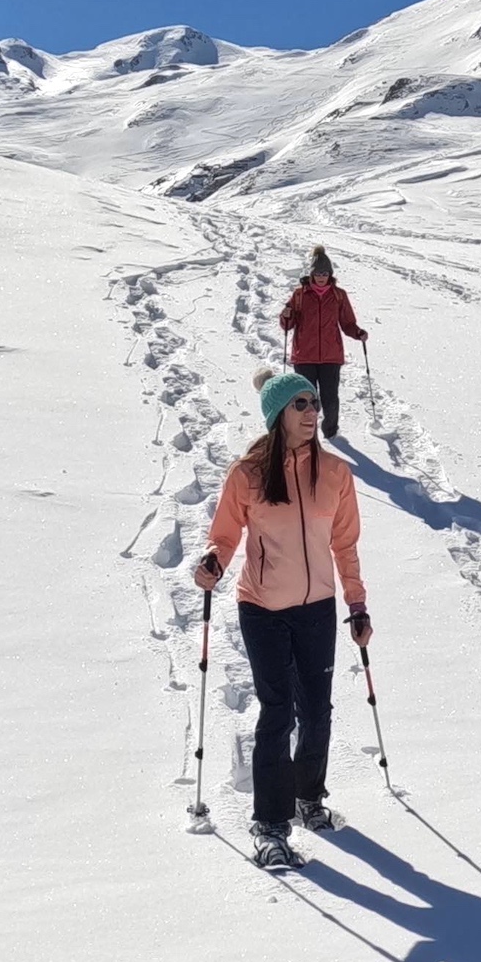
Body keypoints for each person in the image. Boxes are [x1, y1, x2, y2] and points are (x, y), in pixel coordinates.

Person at [194, 367, 373, 868]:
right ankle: (270, 825)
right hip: (263, 609)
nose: (312, 413)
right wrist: (212, 561)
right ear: (277, 414)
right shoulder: (248, 473)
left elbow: (345, 545)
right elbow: (225, 535)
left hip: (317, 609)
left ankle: (308, 799)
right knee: (278, 713)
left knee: (317, 712)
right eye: (301, 405)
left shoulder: (336, 473)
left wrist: (356, 604)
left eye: (314, 404)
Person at [279, 248, 368, 439]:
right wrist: (286, 316)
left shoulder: (339, 295)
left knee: (330, 399)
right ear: (312, 274)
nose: (321, 277)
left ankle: (331, 433)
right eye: (318, 273)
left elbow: (347, 323)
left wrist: (357, 333)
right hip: (304, 356)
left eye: (325, 273)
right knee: (305, 400)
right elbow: (288, 324)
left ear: (330, 274)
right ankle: (304, 433)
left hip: (331, 356)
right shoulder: (300, 295)